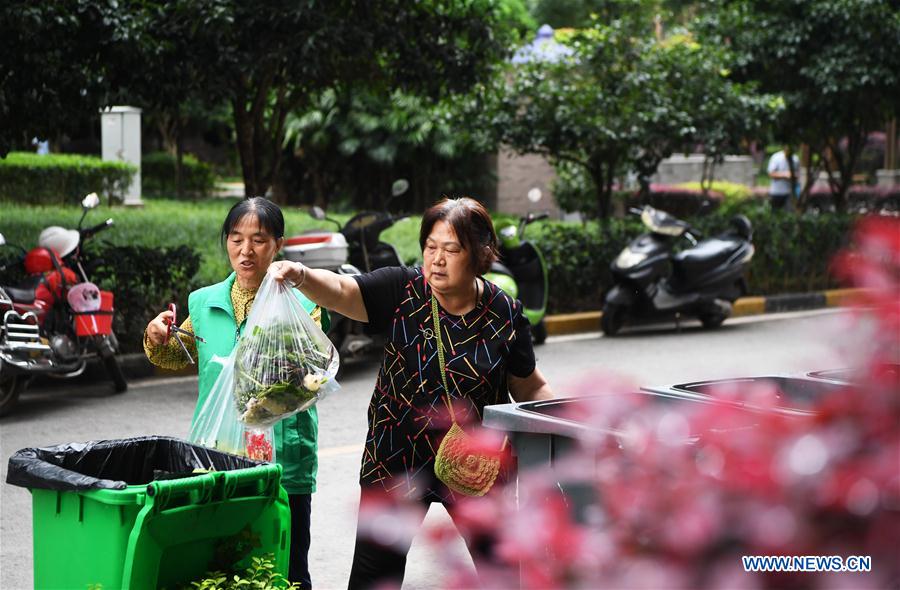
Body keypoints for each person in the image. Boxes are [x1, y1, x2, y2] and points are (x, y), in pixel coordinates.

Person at [268, 196, 554, 589]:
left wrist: (562, 428)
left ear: (479, 254)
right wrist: (302, 274)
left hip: (475, 465)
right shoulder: (402, 289)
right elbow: (343, 290)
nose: (437, 259)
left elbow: (529, 385)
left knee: (501, 571)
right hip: (395, 459)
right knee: (374, 575)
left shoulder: (503, 311)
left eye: (451, 249)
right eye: (430, 247)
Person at [143, 197, 325, 589]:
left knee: (287, 570)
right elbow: (179, 354)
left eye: (258, 240)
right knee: (220, 566)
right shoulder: (205, 301)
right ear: (225, 241)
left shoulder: (303, 303)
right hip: (217, 456)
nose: (246, 251)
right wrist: (157, 334)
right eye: (236, 239)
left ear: (278, 244)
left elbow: (310, 376)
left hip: (282, 458)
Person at [767, 145, 800, 210]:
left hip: (790, 193)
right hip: (777, 192)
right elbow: (771, 174)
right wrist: (785, 175)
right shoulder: (776, 157)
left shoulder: (795, 159)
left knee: (789, 213)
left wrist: (793, 176)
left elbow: (798, 174)